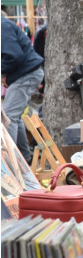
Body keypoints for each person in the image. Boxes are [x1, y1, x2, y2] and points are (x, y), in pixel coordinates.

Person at [1, 16, 44, 163]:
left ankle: (9, 164)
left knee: (7, 118)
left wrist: (3, 72)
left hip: (27, 74)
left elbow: (14, 56)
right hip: (26, 73)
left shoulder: (3, 26)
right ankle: (24, 159)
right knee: (14, 117)